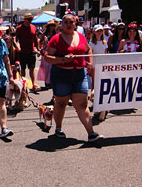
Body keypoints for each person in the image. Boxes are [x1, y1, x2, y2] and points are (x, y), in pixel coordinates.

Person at [43, 14, 103, 142]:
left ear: (75, 24)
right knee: (61, 103)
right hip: (61, 75)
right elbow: (47, 57)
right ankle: (58, 128)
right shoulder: (56, 39)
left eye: (71, 22)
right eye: (66, 22)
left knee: (82, 104)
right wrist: (62, 59)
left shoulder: (81, 37)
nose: (69, 24)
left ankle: (91, 133)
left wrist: (90, 63)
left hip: (80, 75)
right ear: (62, 24)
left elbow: (88, 50)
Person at [16, 13, 41, 91]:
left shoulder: (33, 27)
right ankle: (23, 85)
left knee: (32, 69)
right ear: (25, 20)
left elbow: (36, 39)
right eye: (29, 19)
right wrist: (17, 47)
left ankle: (33, 85)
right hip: (22, 51)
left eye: (31, 19)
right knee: (23, 69)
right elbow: (16, 40)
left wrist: (38, 49)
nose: (30, 21)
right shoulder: (19, 28)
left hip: (31, 51)